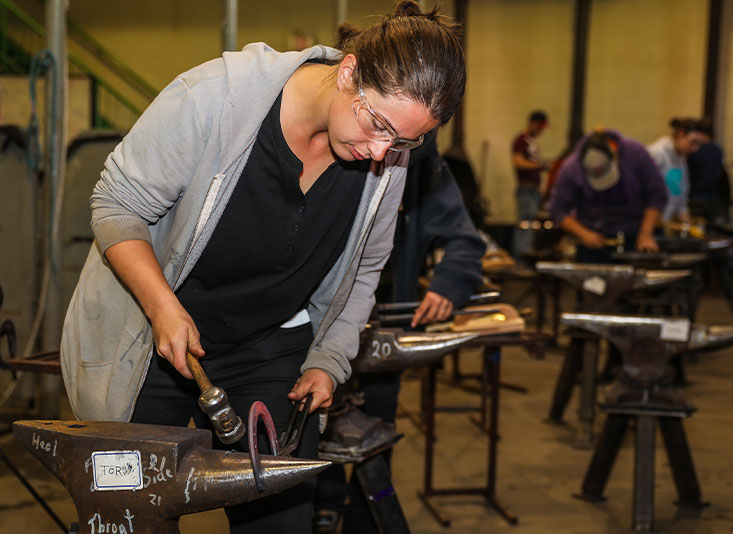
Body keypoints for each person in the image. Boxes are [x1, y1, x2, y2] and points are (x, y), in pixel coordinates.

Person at [59, 2, 466, 533]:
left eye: (405, 141)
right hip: (149, 337)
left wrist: (329, 359)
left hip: (266, 344)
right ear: (348, 72)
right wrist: (162, 307)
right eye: (379, 125)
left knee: (281, 520)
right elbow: (117, 205)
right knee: (133, 515)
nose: (381, 151)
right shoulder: (214, 98)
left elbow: (365, 268)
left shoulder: (386, 160)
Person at [313, 129, 486, 533]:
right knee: (311, 433)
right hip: (320, 325)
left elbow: (465, 243)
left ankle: (363, 517)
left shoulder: (426, 171)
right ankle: (325, 503)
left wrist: (448, 284)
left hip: (384, 330)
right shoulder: (344, 149)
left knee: (377, 429)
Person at [549, 129, 667, 264]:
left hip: (635, 238)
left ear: (614, 156)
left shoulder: (636, 154)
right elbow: (558, 209)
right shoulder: (570, 169)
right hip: (593, 242)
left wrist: (646, 234)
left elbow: (657, 195)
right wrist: (583, 234)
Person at [647, 117, 712, 223]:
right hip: (648, 225)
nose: (695, 148)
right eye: (693, 142)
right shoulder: (657, 153)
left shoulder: (681, 159)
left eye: (700, 144)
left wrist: (689, 224)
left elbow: (680, 197)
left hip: (663, 223)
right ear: (681, 134)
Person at [511, 110, 549, 257]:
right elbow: (518, 162)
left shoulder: (532, 142)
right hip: (525, 189)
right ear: (533, 124)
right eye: (540, 127)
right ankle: (521, 257)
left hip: (533, 190)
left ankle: (527, 254)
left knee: (531, 223)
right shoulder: (520, 140)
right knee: (525, 223)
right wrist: (540, 166)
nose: (541, 131)